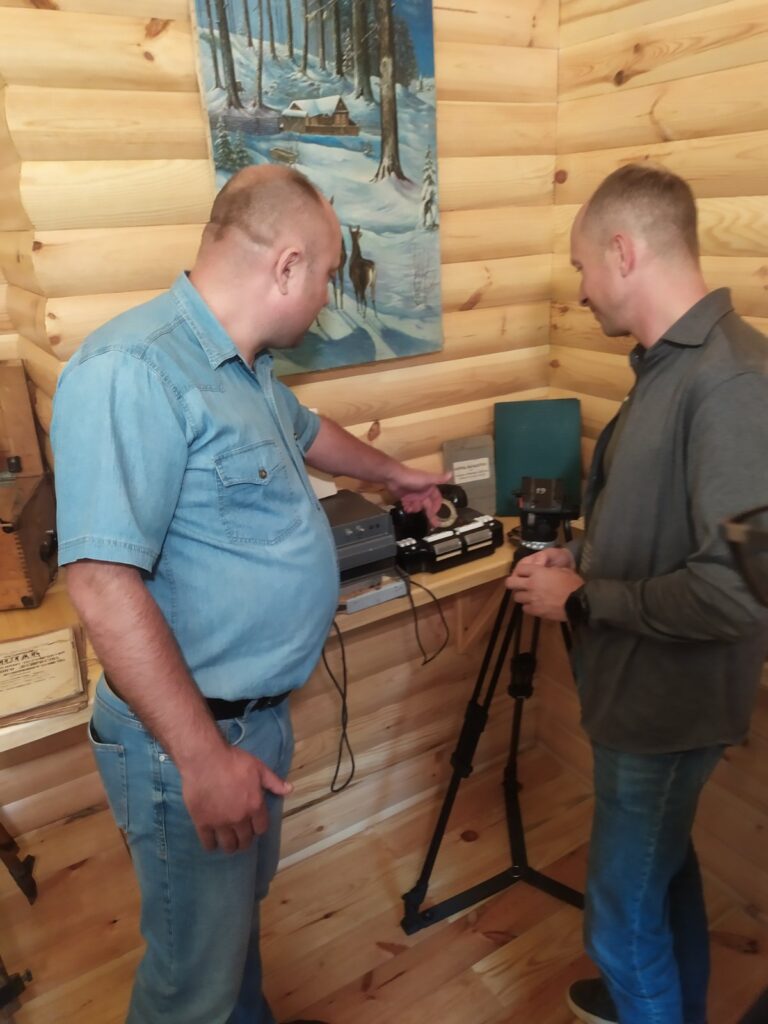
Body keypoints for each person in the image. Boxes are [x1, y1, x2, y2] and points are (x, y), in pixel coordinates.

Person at [50, 165, 449, 1024]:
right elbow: (100, 582)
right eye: (328, 274)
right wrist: (202, 759)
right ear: (288, 265)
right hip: (186, 740)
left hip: (252, 723)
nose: (327, 295)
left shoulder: (245, 368)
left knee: (229, 941)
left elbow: (311, 435)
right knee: (189, 984)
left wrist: (396, 475)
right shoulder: (131, 370)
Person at [506, 164, 768, 1024]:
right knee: (666, 872)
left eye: (582, 266)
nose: (581, 288)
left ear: (623, 251)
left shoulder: (732, 382)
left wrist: (583, 598)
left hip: (668, 711)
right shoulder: (668, 367)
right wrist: (580, 556)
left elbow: (737, 596)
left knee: (618, 930)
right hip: (635, 696)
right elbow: (663, 525)